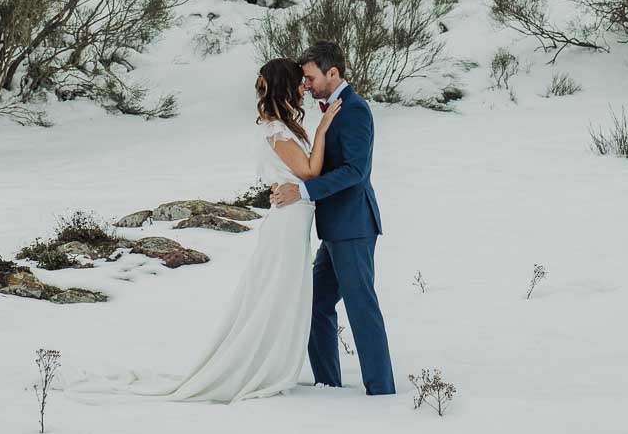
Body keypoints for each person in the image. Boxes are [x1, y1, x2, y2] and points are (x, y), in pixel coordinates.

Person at [68, 58, 342, 403]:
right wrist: (323, 129)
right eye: (299, 81)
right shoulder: (277, 130)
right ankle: (257, 366)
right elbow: (309, 173)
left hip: (294, 222)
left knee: (285, 296)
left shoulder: (286, 127)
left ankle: (272, 362)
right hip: (287, 225)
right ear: (286, 85)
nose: (304, 86)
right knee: (275, 295)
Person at [269, 40, 395, 396]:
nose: (305, 85)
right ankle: (328, 385)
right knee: (315, 305)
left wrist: (304, 192)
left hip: (354, 226)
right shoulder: (332, 110)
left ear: (333, 73)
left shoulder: (355, 110)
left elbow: (356, 171)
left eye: (310, 77)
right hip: (335, 229)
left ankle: (382, 392)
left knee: (361, 309)